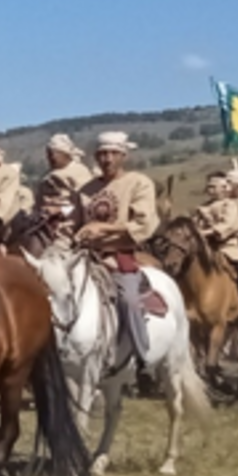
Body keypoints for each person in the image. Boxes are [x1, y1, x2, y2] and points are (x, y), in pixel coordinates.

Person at [75, 131, 159, 364]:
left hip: (120, 255)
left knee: (130, 300)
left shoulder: (138, 183)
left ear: (124, 156)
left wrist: (103, 229)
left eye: (113, 153)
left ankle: (143, 357)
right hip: (84, 255)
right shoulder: (85, 190)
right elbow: (74, 223)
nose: (107, 159)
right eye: (102, 154)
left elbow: (144, 223)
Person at [194, 170, 238, 317]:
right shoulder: (202, 207)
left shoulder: (230, 205)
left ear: (223, 188)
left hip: (228, 247)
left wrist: (206, 232)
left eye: (213, 186)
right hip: (206, 247)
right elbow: (195, 225)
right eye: (209, 186)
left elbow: (228, 225)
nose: (209, 190)